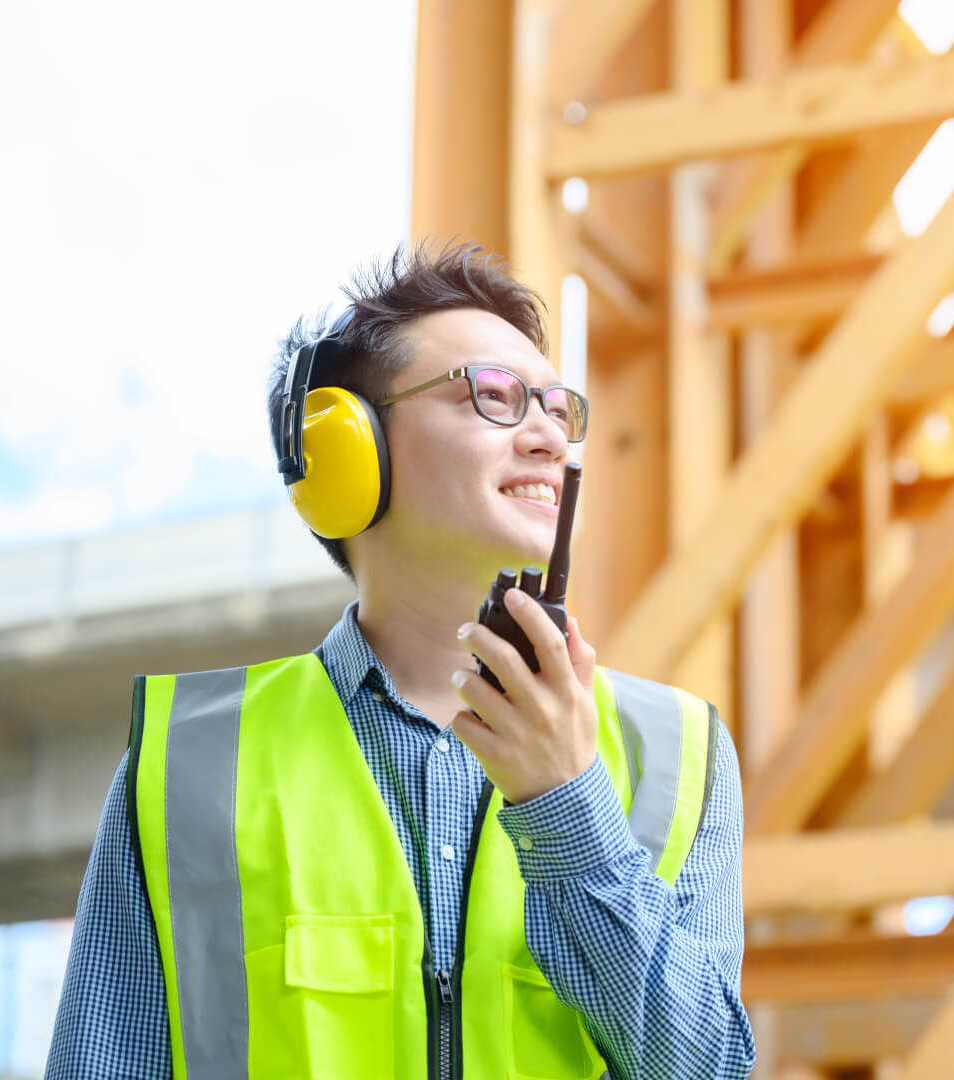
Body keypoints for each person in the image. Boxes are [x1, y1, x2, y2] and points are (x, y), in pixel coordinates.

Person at [45, 242, 756, 1079]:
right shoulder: (185, 767)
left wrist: (568, 809)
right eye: (494, 397)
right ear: (349, 454)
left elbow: (708, 1066)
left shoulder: (677, 753)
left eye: (558, 410)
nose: (546, 438)